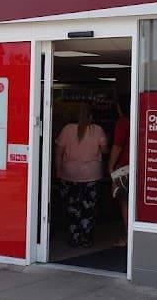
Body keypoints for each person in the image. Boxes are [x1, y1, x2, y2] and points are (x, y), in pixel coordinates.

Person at [54, 103, 108, 247]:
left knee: (72, 208)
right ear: (91, 116)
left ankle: (74, 237)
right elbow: (104, 151)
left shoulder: (67, 130)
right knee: (89, 208)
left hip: (69, 174)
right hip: (92, 175)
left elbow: (58, 154)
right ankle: (86, 238)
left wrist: (58, 172)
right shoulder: (98, 130)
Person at [108, 100, 130, 247]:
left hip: (125, 168)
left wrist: (110, 167)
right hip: (141, 166)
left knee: (126, 202)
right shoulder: (141, 116)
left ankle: (129, 237)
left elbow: (117, 146)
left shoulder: (123, 122)